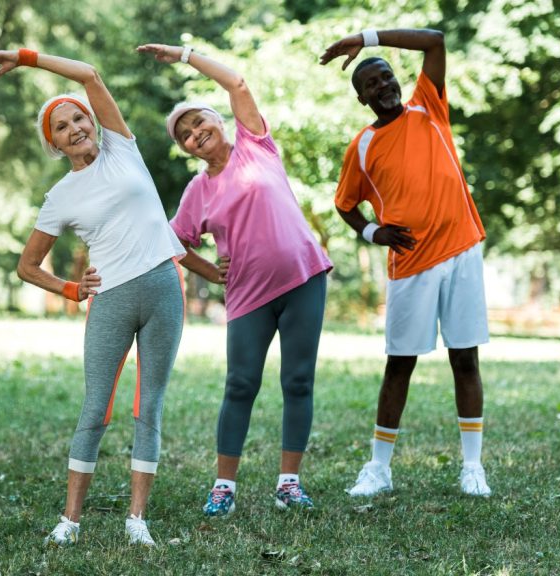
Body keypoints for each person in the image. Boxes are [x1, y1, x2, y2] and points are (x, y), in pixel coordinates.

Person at [0, 47, 186, 547]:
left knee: (148, 408)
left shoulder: (123, 148)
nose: (75, 128)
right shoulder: (60, 196)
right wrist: (69, 289)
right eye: (62, 127)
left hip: (163, 287)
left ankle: (137, 520)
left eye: (78, 118)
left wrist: (28, 58)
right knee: (95, 409)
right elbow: (27, 266)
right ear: (54, 143)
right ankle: (70, 520)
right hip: (110, 297)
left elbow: (90, 72)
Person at [137, 43, 332, 516]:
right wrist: (211, 272)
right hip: (248, 296)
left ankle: (289, 483)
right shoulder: (197, 191)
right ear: (184, 149)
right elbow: (174, 242)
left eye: (198, 122)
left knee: (298, 381)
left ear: (218, 121)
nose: (194, 133)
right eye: (184, 134)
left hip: (305, 278)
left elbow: (237, 84)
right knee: (240, 385)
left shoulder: (256, 145)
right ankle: (224, 485)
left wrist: (185, 55)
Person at [320, 28, 492, 497]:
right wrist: (373, 232)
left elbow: (436, 40)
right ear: (362, 98)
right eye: (372, 84)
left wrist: (365, 38)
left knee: (465, 359)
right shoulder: (362, 146)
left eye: (387, 75)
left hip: (461, 251)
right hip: (411, 264)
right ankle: (378, 467)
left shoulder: (428, 107)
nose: (384, 85)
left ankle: (472, 466)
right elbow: (345, 204)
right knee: (399, 365)